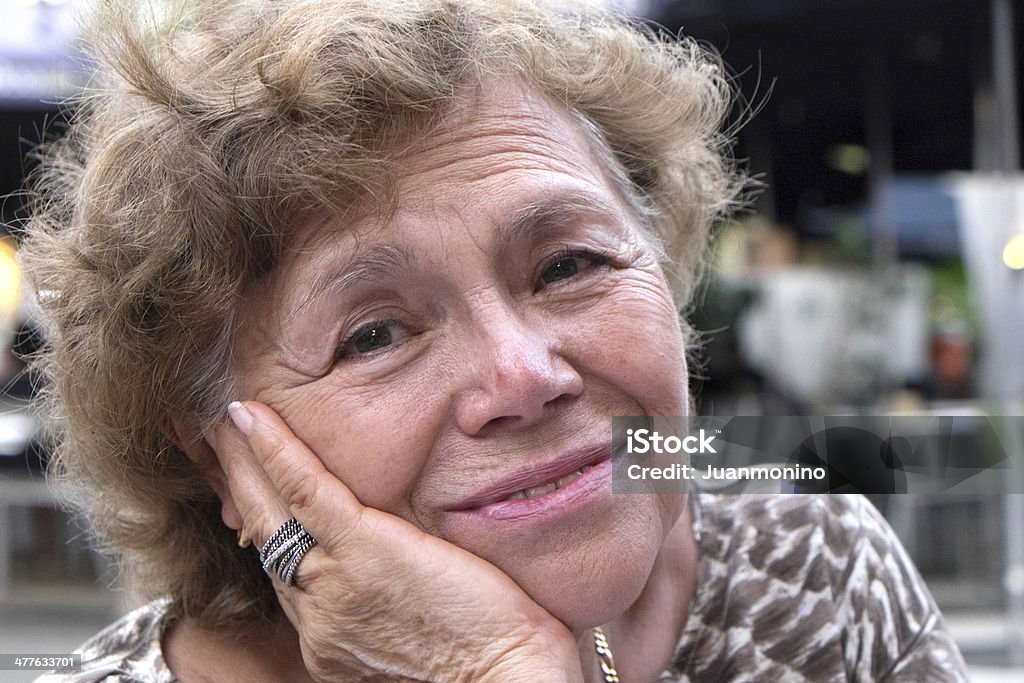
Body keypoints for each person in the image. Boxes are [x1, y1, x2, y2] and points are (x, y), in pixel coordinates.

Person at [21, 0, 968, 680]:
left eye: (568, 266)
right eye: (374, 334)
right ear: (221, 459)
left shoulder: (814, 575)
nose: (524, 376)